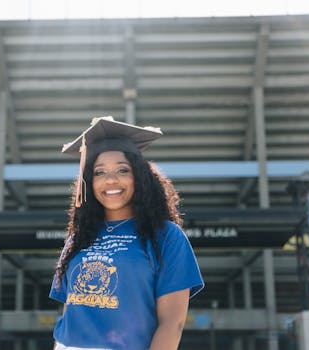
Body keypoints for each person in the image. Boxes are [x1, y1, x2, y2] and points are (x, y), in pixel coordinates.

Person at [49, 116, 204, 350]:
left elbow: (173, 322)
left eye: (123, 170)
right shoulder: (78, 239)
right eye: (99, 172)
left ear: (139, 177)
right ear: (88, 182)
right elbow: (69, 314)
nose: (111, 180)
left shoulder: (165, 235)